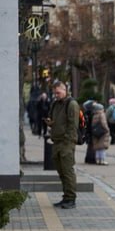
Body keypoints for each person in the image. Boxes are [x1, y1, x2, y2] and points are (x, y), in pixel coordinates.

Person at [46, 81, 80, 209]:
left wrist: (67, 141)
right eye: (55, 93)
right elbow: (52, 118)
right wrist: (50, 123)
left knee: (67, 171)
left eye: (58, 92)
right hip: (56, 141)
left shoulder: (71, 104)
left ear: (64, 90)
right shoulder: (55, 104)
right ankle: (66, 197)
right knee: (61, 171)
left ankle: (71, 199)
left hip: (66, 143)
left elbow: (73, 125)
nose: (56, 95)